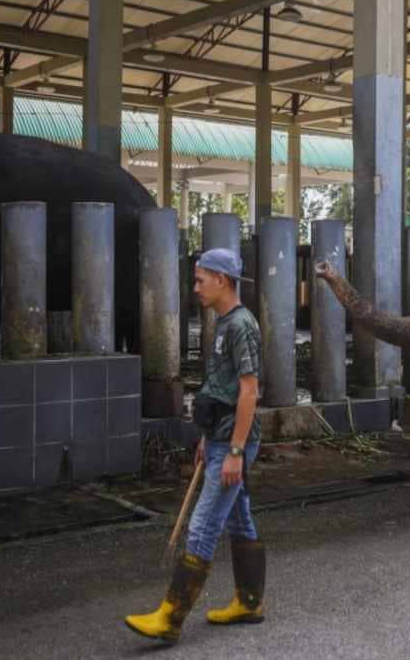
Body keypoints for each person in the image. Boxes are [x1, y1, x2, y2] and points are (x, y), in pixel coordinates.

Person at [124, 247, 264, 643]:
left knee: (202, 524)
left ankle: (170, 617)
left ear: (222, 279)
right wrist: (207, 437)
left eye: (201, 280)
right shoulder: (222, 324)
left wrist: (235, 451)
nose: (196, 288)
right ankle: (250, 602)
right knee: (239, 519)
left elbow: (249, 392)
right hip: (219, 436)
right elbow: (219, 388)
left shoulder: (241, 326)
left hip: (234, 442)